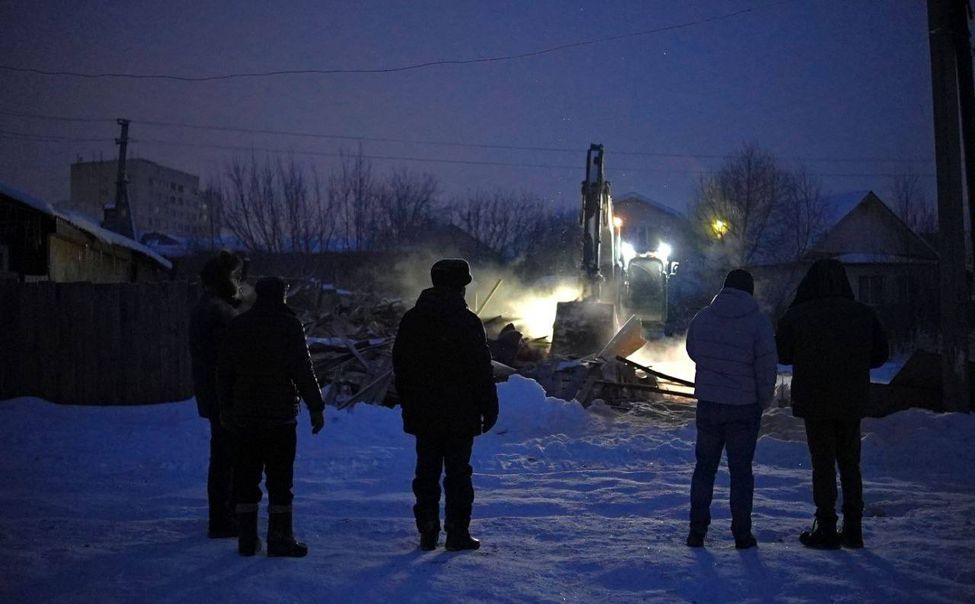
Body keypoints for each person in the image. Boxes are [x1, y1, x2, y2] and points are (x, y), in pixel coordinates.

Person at [776, 259, 888, 549]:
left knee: (822, 464)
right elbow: (879, 356)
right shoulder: (863, 314)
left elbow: (783, 354)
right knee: (851, 464)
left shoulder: (799, 314)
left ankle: (826, 526)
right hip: (851, 400)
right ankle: (853, 528)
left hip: (814, 400)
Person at [392, 258, 499, 552]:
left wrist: (409, 402)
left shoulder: (412, 319)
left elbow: (400, 366)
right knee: (458, 474)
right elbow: (481, 369)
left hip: (424, 412)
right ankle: (457, 533)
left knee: (426, 471)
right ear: (459, 287)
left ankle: (427, 530)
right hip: (459, 413)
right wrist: (489, 406)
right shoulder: (467, 322)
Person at [218, 276, 326, 557]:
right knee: (280, 480)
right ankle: (279, 538)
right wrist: (316, 406)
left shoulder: (238, 326)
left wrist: (226, 409)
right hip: (280, 418)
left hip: (245, 417)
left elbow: (224, 373)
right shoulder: (289, 325)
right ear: (282, 295)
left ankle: (246, 539)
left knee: (246, 478)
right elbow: (302, 368)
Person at [684, 269, 777, 550]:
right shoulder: (758, 323)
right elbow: (767, 368)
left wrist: (713, 370)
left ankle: (697, 533)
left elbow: (692, 349)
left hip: (709, 405)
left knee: (704, 470)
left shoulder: (703, 317)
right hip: (744, 409)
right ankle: (742, 535)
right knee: (740, 473)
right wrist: (763, 399)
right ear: (749, 291)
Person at [188, 250, 243, 538]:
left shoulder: (212, 307)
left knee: (226, 456)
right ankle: (222, 519)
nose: (238, 282)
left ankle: (227, 514)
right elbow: (228, 356)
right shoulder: (215, 311)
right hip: (224, 396)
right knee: (225, 458)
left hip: (218, 395)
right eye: (234, 276)